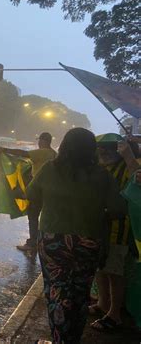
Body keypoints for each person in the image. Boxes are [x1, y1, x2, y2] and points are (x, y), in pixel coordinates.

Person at [27, 128, 126, 344]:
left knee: (56, 292)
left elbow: (31, 194)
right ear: (92, 149)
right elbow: (118, 209)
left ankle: (59, 340)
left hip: (53, 241)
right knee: (79, 294)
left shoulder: (50, 169)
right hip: (88, 242)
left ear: (64, 146)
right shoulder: (102, 175)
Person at [89, 137, 140, 331]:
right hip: (100, 228)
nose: (101, 153)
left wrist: (128, 154)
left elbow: (137, 176)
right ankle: (103, 304)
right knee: (101, 269)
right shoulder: (103, 168)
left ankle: (114, 314)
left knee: (114, 272)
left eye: (106, 150)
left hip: (120, 228)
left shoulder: (128, 167)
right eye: (99, 150)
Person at [0, 132, 57, 251]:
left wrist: (4, 150)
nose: (38, 143)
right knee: (44, 216)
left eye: (40, 140)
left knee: (33, 216)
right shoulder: (54, 154)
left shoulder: (43, 152)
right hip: (48, 189)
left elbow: (23, 153)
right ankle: (44, 241)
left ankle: (32, 243)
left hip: (38, 190)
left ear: (44, 141)